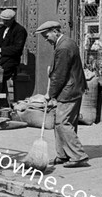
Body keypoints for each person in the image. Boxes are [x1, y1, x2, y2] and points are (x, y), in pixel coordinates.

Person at [36, 20, 89, 168]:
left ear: (55, 31)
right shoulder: (65, 43)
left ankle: (78, 156)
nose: (46, 39)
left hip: (69, 90)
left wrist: (50, 94)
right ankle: (64, 155)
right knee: (65, 123)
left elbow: (60, 75)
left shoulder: (63, 47)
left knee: (62, 123)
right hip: (73, 88)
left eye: (46, 36)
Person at [0, 9, 27, 105]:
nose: (4, 22)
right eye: (3, 20)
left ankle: (0, 102)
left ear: (13, 19)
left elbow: (17, 49)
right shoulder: (2, 29)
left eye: (7, 20)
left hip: (11, 61)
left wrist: (1, 50)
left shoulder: (20, 30)